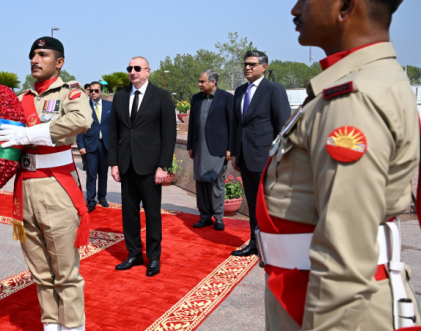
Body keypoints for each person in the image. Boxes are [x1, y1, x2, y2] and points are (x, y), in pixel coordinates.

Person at [258, 0, 421, 331]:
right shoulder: (355, 83)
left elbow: (345, 252)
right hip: (312, 299)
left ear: (346, 3)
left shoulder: (354, 98)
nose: (295, 8)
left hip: (336, 323)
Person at [0, 37, 91, 331]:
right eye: (32, 55)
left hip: (56, 188)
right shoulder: (21, 99)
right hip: (26, 189)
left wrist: (31, 134)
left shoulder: (71, 94)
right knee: (40, 273)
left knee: (65, 273)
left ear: (59, 62)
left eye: (43, 55)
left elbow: (81, 121)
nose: (35, 60)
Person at [109, 57, 177, 277]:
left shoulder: (161, 96)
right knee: (129, 214)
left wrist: (163, 166)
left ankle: (154, 258)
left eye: (137, 68)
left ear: (148, 71)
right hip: (126, 165)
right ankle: (134, 253)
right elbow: (114, 133)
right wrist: (114, 163)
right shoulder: (120, 97)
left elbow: (169, 134)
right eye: (129, 68)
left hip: (150, 167)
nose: (133, 72)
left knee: (152, 215)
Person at [230, 51, 290, 257]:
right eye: (245, 64)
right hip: (245, 158)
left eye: (252, 64)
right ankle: (255, 242)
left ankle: (273, 246)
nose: (247, 67)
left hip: (266, 157)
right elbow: (236, 125)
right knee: (253, 202)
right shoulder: (239, 92)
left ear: (264, 67)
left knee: (269, 203)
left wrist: (279, 157)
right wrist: (234, 153)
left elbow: (283, 127)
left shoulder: (274, 90)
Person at [187, 70, 234, 231]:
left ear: (213, 82)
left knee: (216, 183)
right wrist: (190, 146)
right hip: (199, 147)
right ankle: (205, 216)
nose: (199, 84)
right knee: (200, 182)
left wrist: (230, 148)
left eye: (202, 81)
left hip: (218, 148)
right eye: (199, 82)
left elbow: (232, 124)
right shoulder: (196, 99)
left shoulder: (227, 98)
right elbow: (192, 123)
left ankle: (218, 218)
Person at [76, 81, 112, 212]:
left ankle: (102, 197)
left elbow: (114, 127)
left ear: (101, 92)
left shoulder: (110, 106)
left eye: (96, 91)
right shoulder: (84, 107)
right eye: (91, 91)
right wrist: (80, 144)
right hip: (90, 146)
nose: (93, 93)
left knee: (103, 173)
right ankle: (91, 200)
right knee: (91, 174)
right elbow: (80, 127)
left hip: (105, 145)